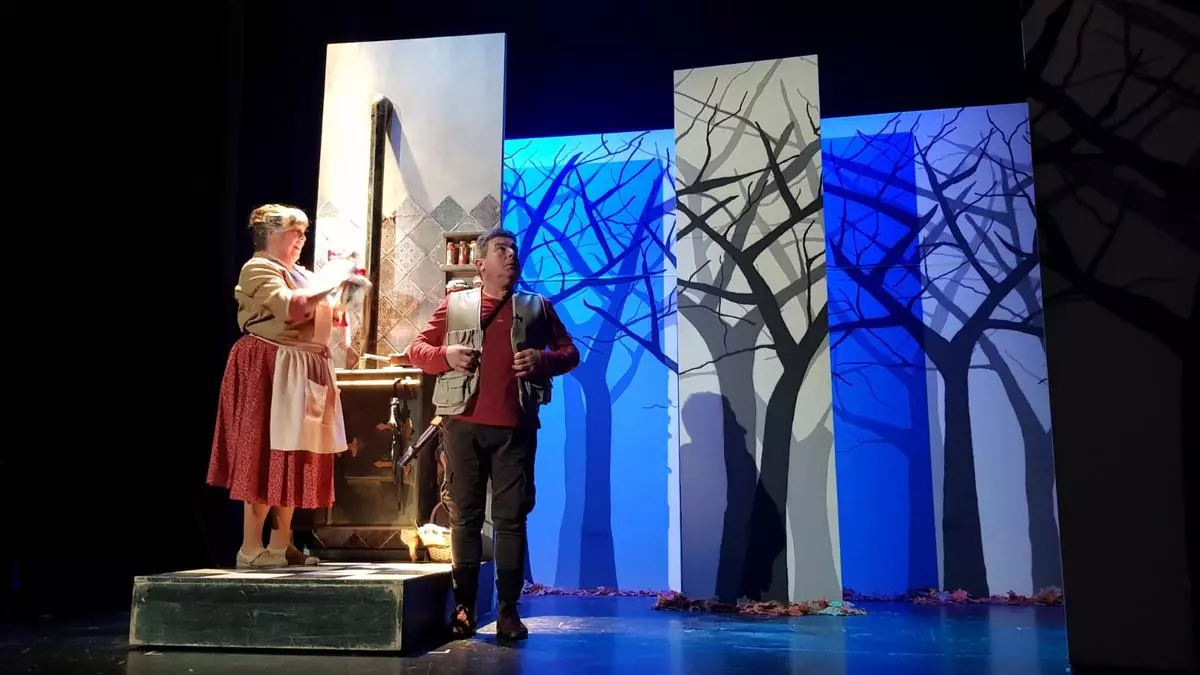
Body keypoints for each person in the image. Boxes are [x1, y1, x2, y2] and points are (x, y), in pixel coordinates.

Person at [408, 227, 579, 641]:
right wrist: (446, 355)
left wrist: (542, 360)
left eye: (514, 249)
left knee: (511, 519)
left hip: (515, 428)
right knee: (465, 518)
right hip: (463, 425)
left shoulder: (538, 306)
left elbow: (570, 353)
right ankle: (465, 609)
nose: (511, 254)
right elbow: (417, 350)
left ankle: (507, 612)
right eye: (502, 249)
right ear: (480, 263)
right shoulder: (455, 304)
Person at [207, 204, 363, 568]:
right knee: (266, 451)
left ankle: (280, 546)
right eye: (295, 232)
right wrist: (331, 278)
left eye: (304, 233)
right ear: (271, 234)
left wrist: (343, 295)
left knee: (295, 453)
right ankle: (250, 549)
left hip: (304, 367)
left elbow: (324, 314)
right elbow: (292, 308)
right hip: (271, 365)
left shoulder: (302, 273)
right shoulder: (259, 268)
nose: (302, 239)